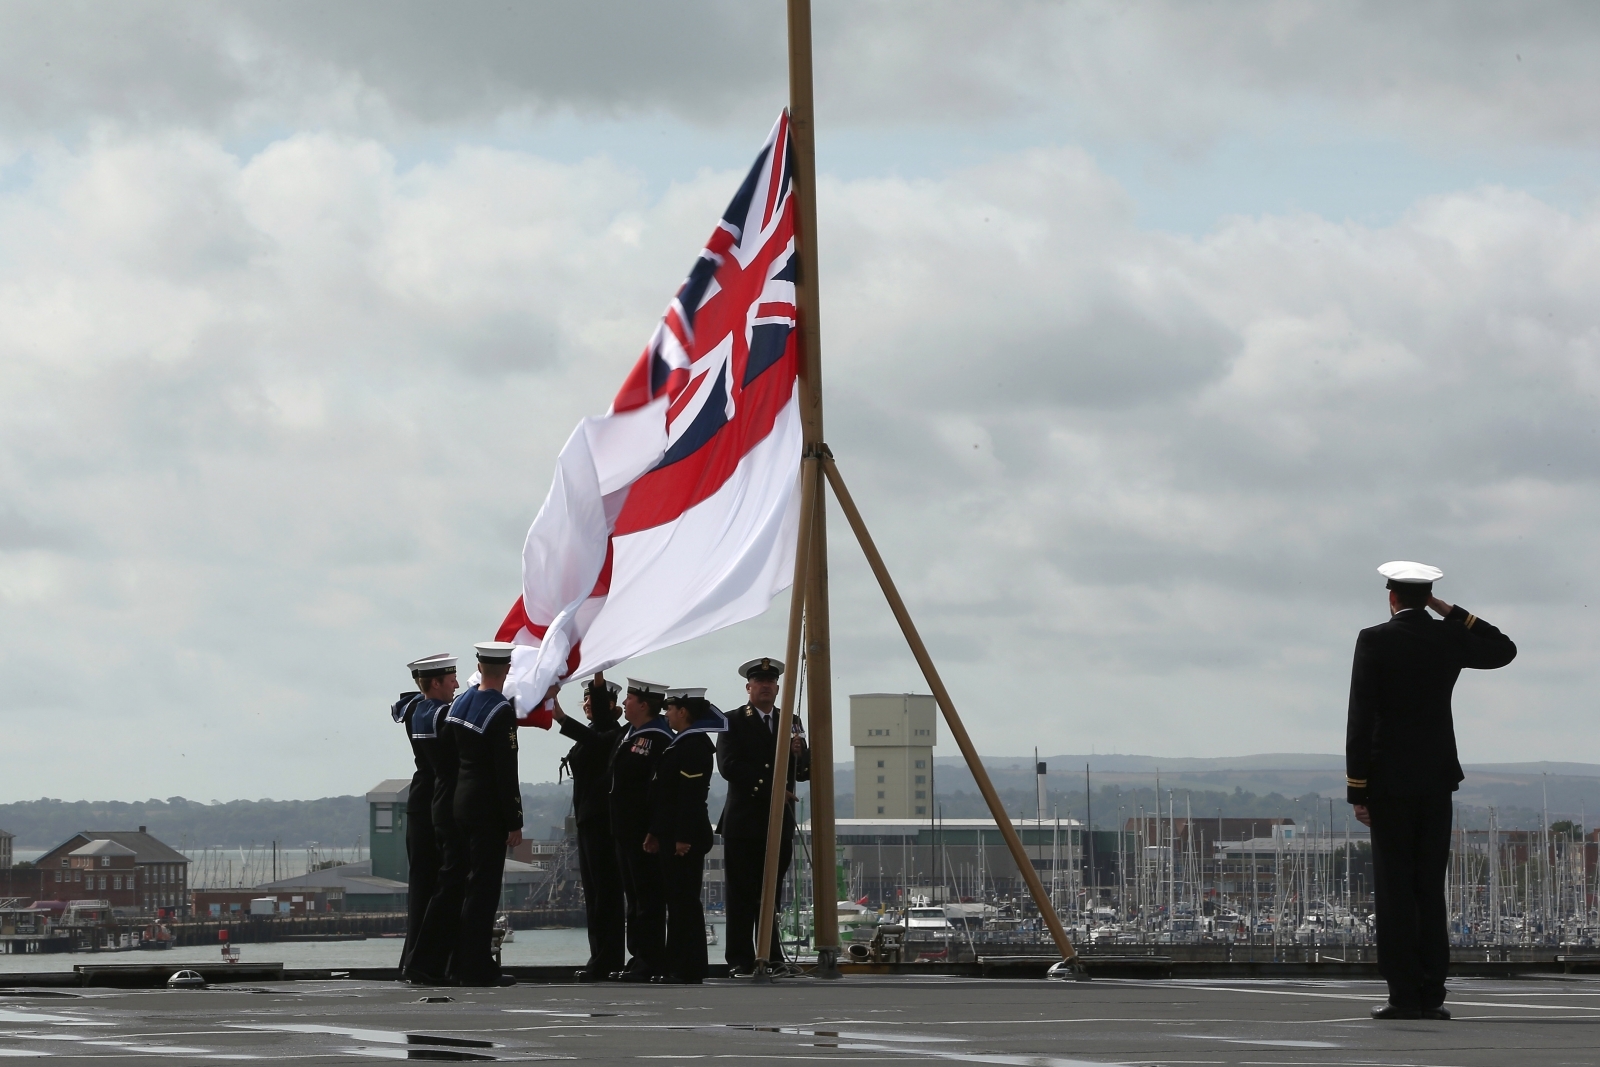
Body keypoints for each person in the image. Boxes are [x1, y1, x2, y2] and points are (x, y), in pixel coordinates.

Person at [1346, 561, 1516, 1020]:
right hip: (1437, 778)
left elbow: (1361, 717)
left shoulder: (1375, 639)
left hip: (1387, 781)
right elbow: (1504, 649)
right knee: (1428, 888)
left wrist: (1356, 788)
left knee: (1395, 888)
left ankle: (1403, 995)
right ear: (1428, 598)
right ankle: (1431, 992)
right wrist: (1454, 612)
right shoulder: (1448, 635)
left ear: (1391, 597)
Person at [715, 656, 810, 977]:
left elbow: (806, 771)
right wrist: (771, 788)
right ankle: (741, 959)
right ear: (749, 687)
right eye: (760, 682)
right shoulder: (732, 721)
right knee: (742, 894)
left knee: (772, 892)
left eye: (771, 683)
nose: (766, 687)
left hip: (779, 822)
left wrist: (801, 753)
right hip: (744, 822)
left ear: (777, 687)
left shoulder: (790, 721)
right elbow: (729, 767)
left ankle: (771, 955)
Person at [442, 641, 524, 987]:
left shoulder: (460, 703)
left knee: (461, 886)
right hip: (487, 808)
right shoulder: (501, 711)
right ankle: (475, 966)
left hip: (460, 801)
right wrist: (514, 821)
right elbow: (506, 771)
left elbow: (449, 754)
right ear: (506, 670)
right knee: (483, 890)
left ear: (479, 665)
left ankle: (454, 962)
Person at [647, 687, 727, 984]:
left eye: (670, 708)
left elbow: (689, 797)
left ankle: (687, 967)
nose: (666, 713)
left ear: (683, 711)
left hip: (685, 836)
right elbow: (666, 796)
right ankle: (677, 964)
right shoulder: (680, 744)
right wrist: (656, 831)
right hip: (671, 833)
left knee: (684, 903)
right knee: (677, 902)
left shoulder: (693, 745)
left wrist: (682, 836)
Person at [550, 674, 626, 982]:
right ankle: (599, 956)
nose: (586, 705)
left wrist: (561, 718)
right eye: (584, 700)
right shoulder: (594, 731)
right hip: (587, 821)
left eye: (591, 700)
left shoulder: (613, 734)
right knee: (594, 895)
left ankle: (608, 958)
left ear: (609, 705)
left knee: (606, 893)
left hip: (603, 823)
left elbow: (594, 741)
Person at [391, 653, 457, 982]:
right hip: (439, 801)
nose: (456, 686)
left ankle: (412, 958)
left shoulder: (415, 709)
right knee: (441, 885)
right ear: (435, 683)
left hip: (419, 802)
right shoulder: (440, 715)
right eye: (450, 680)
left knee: (420, 887)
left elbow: (408, 701)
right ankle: (433, 961)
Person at [607, 678, 673, 982]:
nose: (624, 703)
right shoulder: (630, 734)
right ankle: (638, 955)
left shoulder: (657, 738)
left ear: (644, 705)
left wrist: (654, 829)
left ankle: (651, 957)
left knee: (647, 896)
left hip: (642, 831)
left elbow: (657, 790)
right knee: (633, 897)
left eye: (629, 698)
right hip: (624, 829)